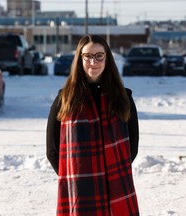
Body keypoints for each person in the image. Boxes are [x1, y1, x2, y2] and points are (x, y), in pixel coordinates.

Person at [46, 35, 139, 216]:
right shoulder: (65, 98)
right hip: (80, 190)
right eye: (87, 56)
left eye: (99, 56)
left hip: (117, 184)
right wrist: (73, 178)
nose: (93, 62)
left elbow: (132, 145)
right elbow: (52, 149)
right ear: (79, 58)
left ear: (107, 58)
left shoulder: (123, 98)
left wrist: (112, 175)